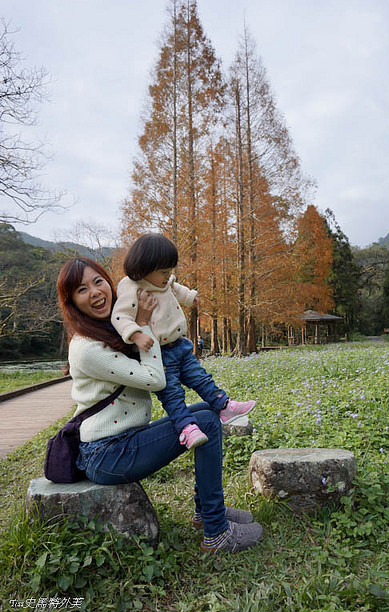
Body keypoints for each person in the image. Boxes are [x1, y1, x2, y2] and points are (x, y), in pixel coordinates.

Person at [56, 257, 262, 554]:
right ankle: (217, 534)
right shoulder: (86, 348)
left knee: (207, 412)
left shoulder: (113, 327)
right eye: (81, 289)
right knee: (203, 421)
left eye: (98, 282)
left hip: (124, 441)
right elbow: (155, 379)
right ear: (72, 301)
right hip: (107, 454)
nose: (95, 293)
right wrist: (142, 324)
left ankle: (206, 512)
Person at [111, 233, 256, 450]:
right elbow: (119, 316)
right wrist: (136, 334)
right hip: (159, 353)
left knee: (201, 378)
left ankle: (224, 406)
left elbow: (176, 288)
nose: (168, 276)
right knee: (172, 393)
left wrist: (190, 297)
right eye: (163, 272)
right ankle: (186, 428)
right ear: (144, 268)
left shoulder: (164, 280)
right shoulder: (131, 287)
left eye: (170, 271)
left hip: (181, 345)